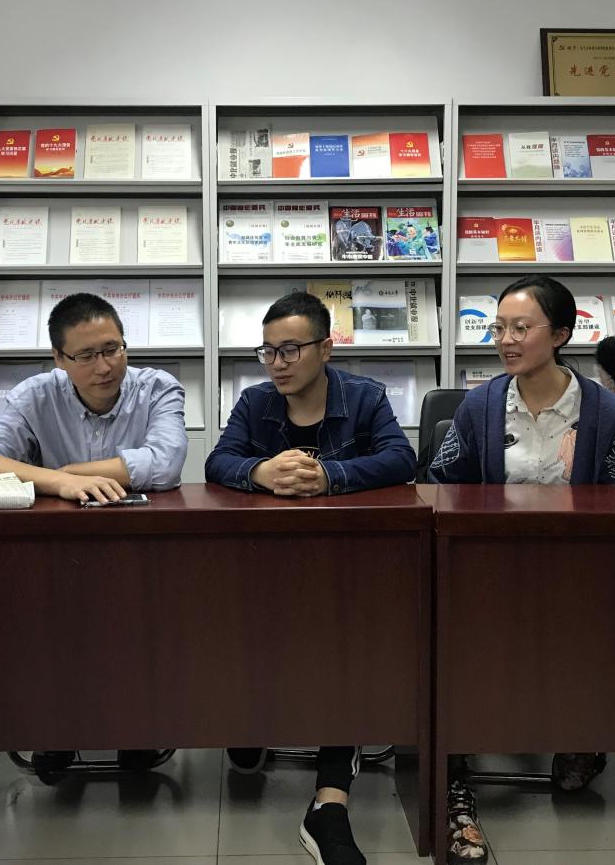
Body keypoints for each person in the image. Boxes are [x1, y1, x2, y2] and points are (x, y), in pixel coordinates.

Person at [205, 290, 416, 865]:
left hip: (348, 570)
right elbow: (218, 463)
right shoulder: (254, 402)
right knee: (241, 630)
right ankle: (252, 723)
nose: (277, 363)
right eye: (268, 351)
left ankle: (330, 801)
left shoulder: (365, 397)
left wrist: (330, 478)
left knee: (347, 647)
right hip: (264, 568)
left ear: (326, 348)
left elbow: (401, 459)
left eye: (290, 350)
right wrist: (261, 471)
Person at [429, 274, 615, 865]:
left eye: (521, 328)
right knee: (459, 640)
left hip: (576, 570)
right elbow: (441, 482)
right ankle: (455, 766)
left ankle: (578, 734)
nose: (506, 340)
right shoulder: (481, 404)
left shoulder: (603, 410)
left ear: (561, 333)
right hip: (487, 569)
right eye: (499, 328)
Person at [0, 291, 188, 776]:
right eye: (85, 356)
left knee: (138, 630)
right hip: (58, 553)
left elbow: (166, 463)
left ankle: (137, 731)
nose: (104, 366)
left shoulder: (157, 387)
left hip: (139, 549)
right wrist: (60, 483)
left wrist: (69, 471)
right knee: (50, 629)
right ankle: (56, 730)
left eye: (112, 349)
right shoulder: (35, 395)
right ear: (59, 359)